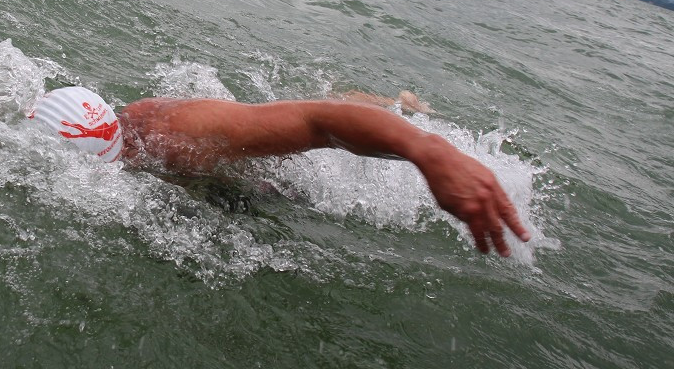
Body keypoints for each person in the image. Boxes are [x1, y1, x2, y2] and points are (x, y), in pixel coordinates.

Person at [29, 87, 530, 257]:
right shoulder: (115, 141)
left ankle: (400, 105)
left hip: (267, 178)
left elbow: (318, 124)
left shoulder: (176, 134)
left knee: (318, 124)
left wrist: (430, 153)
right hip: (215, 178)